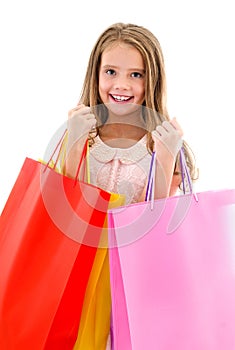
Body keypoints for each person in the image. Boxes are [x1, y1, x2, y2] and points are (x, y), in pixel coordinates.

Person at [63, 22, 198, 349]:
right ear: (95, 73)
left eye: (136, 75)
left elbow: (163, 225)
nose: (121, 84)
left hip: (137, 278)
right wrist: (73, 145)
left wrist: (166, 159)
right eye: (111, 71)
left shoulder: (159, 142)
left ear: (152, 80)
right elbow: (65, 205)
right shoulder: (81, 131)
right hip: (81, 275)